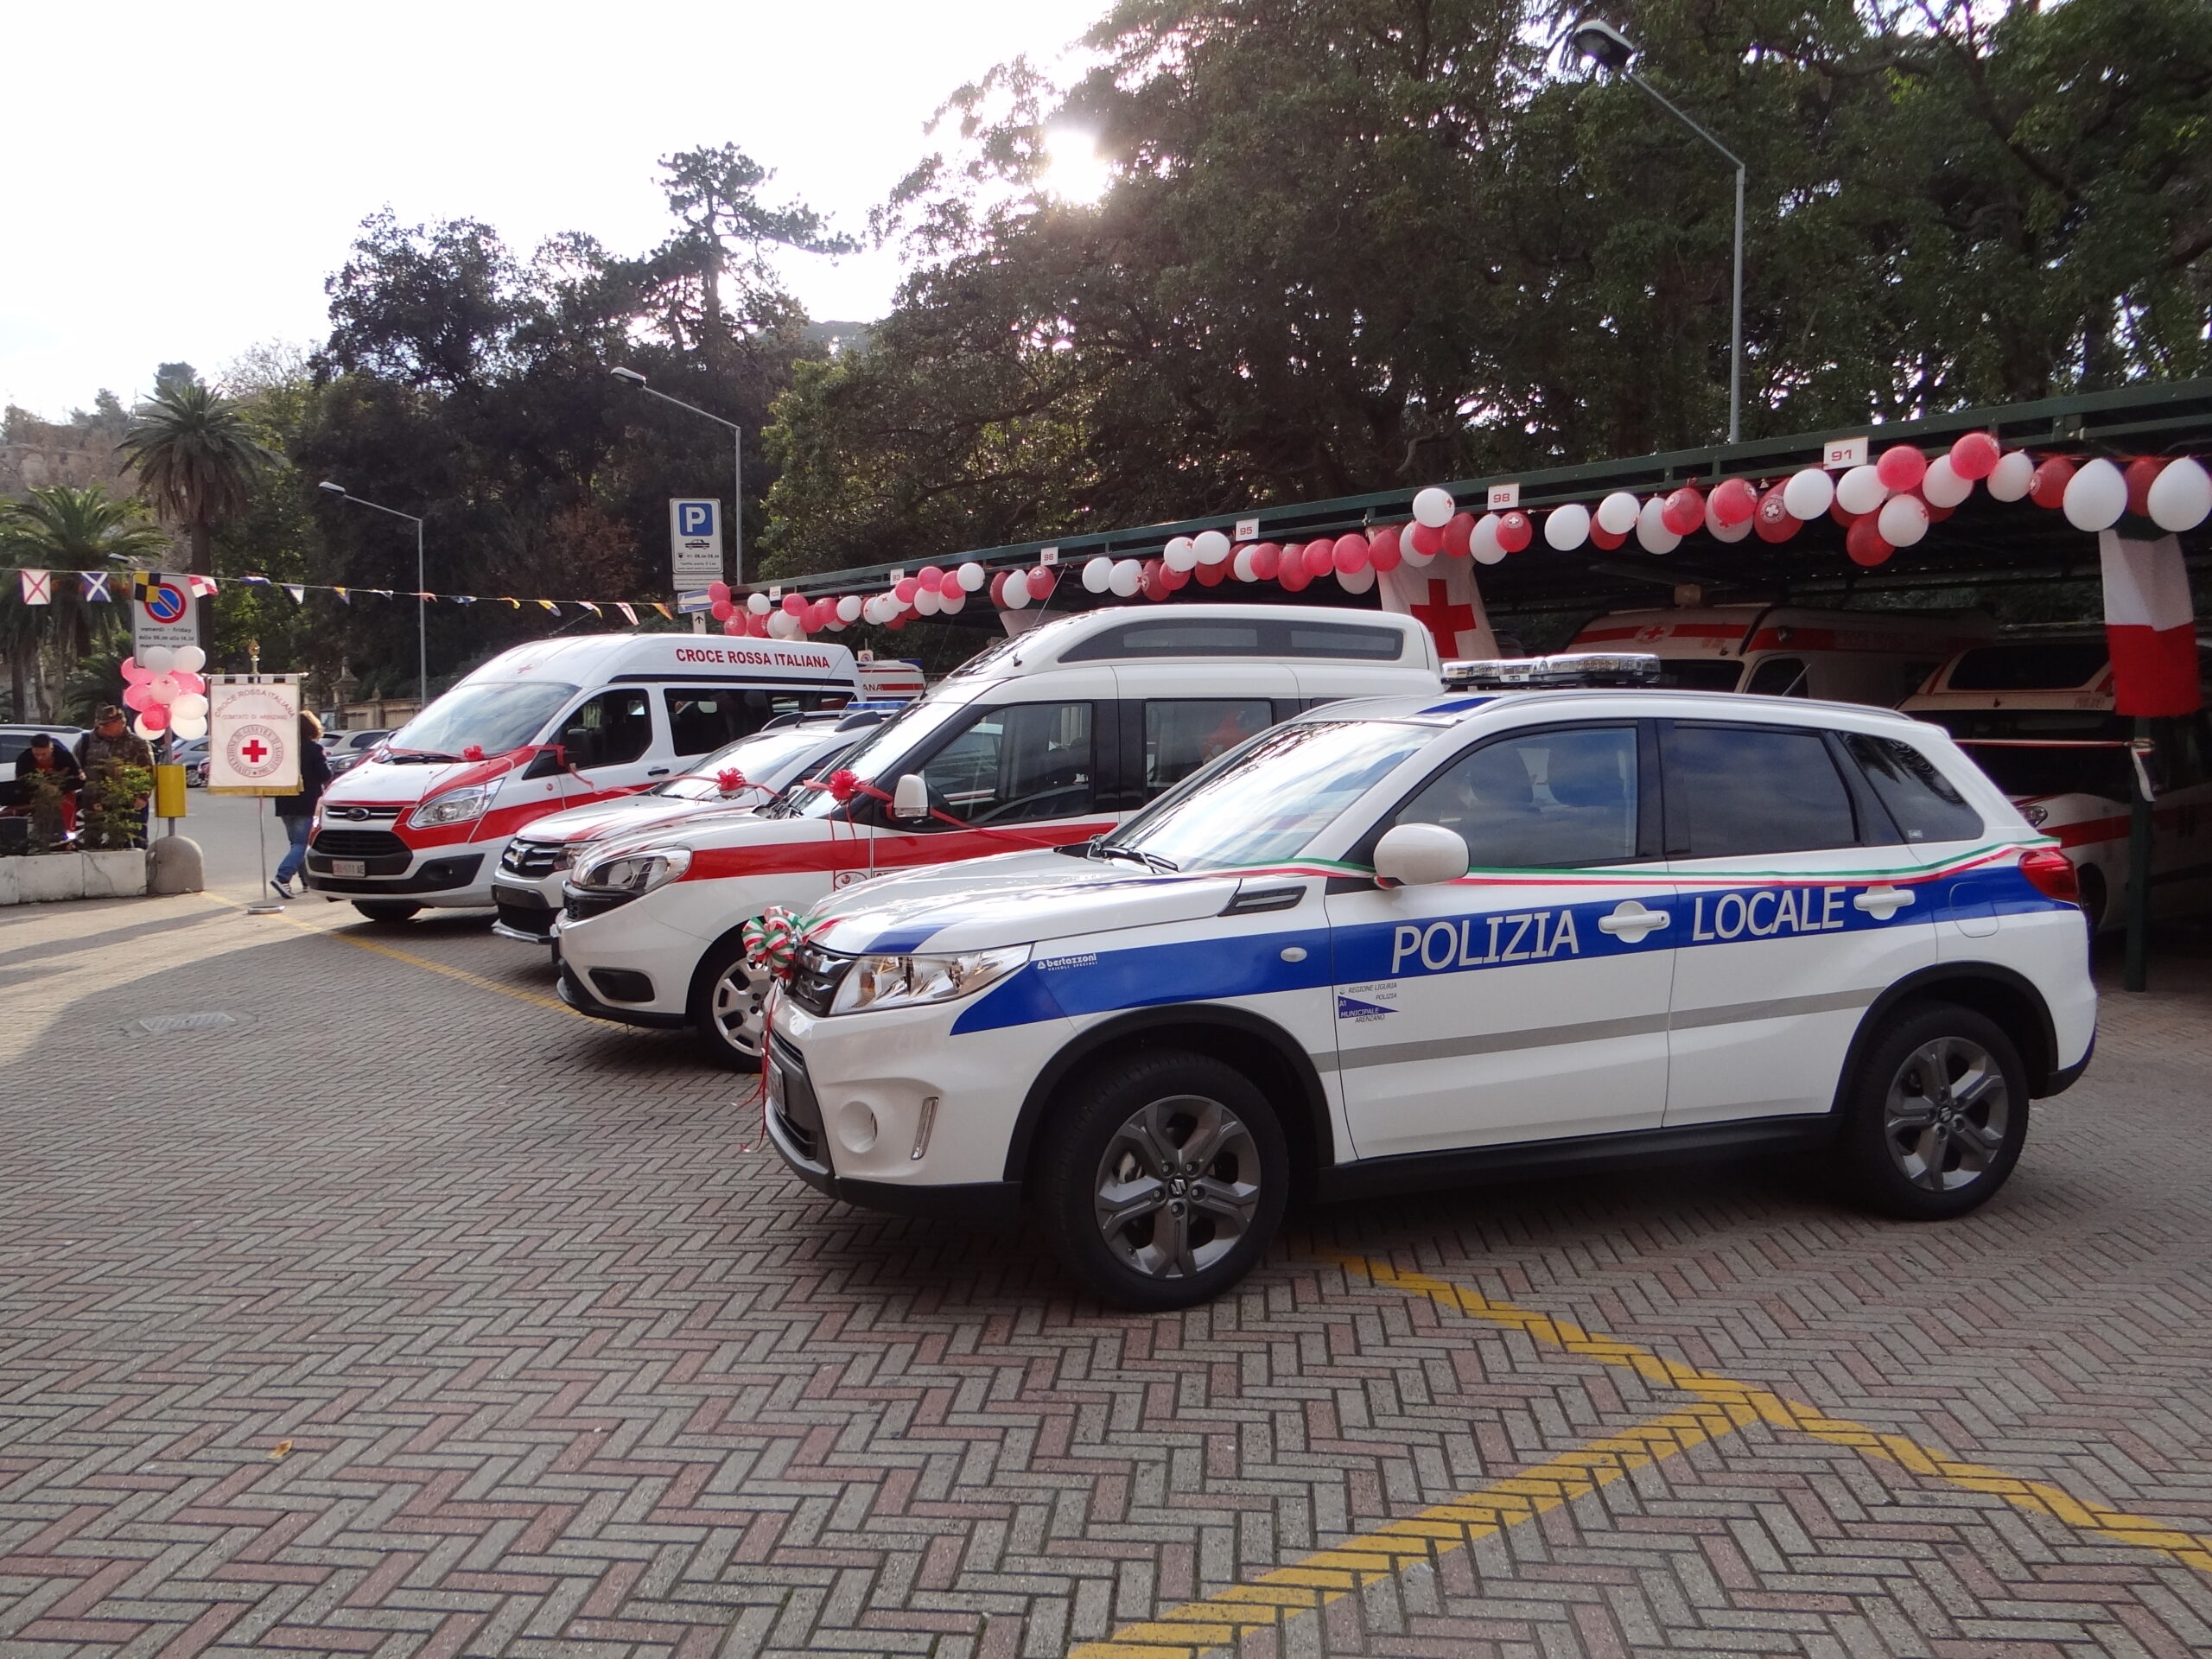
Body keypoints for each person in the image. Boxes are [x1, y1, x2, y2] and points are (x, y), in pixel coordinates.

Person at [270, 710, 331, 899]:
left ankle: (307, 881)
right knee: (303, 843)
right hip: (306, 802)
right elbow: (325, 775)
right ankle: (283, 877)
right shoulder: (313, 748)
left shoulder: (282, 748)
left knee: (296, 843)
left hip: (284, 801)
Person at [74, 706, 155, 848]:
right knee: (92, 841)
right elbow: (77, 767)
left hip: (128, 801)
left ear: (121, 723)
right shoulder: (86, 741)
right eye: (101, 724)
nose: (102, 728)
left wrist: (142, 796)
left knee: (135, 840)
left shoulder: (137, 743)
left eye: (107, 725)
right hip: (94, 801)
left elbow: (147, 772)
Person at [10, 734, 84, 839]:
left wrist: (58, 788)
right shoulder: (24, 758)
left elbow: (78, 779)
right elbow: (21, 782)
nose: (40, 758)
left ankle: (67, 836)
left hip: (63, 793)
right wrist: (41, 787)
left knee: (66, 808)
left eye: (44, 754)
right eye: (36, 754)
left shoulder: (65, 756)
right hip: (37, 795)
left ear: (51, 749)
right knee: (41, 815)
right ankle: (42, 838)